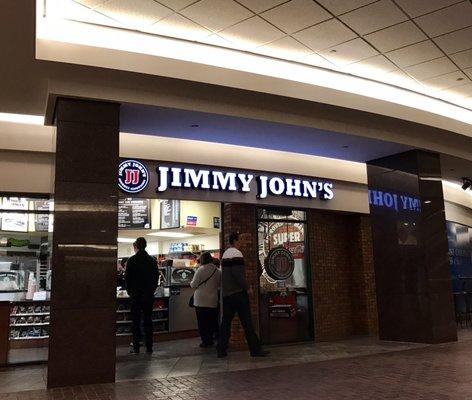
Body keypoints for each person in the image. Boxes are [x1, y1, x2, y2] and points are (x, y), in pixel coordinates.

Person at [217, 232, 269, 358]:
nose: (242, 243)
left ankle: (221, 350)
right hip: (238, 294)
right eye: (240, 240)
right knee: (247, 323)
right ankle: (255, 350)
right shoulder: (237, 254)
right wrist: (247, 287)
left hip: (227, 294)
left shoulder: (225, 254)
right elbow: (237, 274)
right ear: (235, 240)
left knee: (226, 323)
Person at [125, 237, 159, 354]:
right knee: (148, 321)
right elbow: (156, 278)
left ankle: (136, 347)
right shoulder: (152, 261)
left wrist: (130, 292)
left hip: (136, 295)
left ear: (136, 246)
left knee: (136, 322)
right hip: (148, 296)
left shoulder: (132, 260)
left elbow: (127, 279)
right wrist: (151, 291)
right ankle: (149, 347)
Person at [190, 252, 221, 348]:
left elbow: (193, 285)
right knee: (212, 321)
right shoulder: (218, 271)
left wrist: (191, 282)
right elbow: (219, 285)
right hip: (212, 300)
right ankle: (211, 339)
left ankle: (205, 341)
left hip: (200, 300)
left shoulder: (200, 270)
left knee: (202, 322)